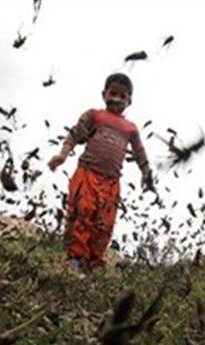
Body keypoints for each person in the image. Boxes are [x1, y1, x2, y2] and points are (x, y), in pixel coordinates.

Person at [48, 73, 153, 272]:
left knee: (104, 223)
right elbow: (74, 135)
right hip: (87, 174)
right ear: (104, 94)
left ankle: (95, 262)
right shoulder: (94, 116)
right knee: (82, 213)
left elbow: (139, 152)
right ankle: (76, 258)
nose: (116, 99)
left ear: (129, 101)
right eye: (113, 93)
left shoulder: (130, 128)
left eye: (122, 96)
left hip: (112, 182)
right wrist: (62, 155)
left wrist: (146, 173)